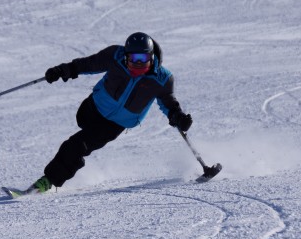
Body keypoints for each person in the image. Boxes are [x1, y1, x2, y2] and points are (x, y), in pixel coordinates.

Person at [26, 32, 193, 193]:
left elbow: (169, 102)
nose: (139, 64)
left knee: (77, 145)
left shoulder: (162, 79)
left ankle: (48, 181)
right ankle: (70, 158)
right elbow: (88, 64)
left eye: (144, 59)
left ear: (152, 58)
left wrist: (177, 116)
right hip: (93, 108)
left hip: (115, 124)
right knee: (81, 122)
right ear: (126, 56)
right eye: (134, 59)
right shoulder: (115, 56)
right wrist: (63, 70)